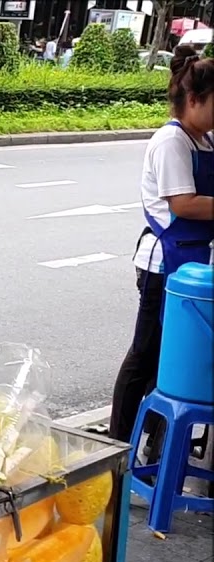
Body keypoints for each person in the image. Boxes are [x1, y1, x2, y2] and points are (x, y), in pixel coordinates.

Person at [109, 45, 214, 444]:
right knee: (146, 356)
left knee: (172, 362)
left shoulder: (203, 139)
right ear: (193, 99)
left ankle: (153, 442)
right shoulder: (172, 142)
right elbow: (183, 203)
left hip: (191, 264)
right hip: (162, 264)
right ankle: (119, 444)